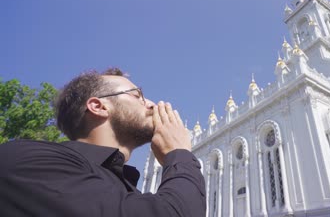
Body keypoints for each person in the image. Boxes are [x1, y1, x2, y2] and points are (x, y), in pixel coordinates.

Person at [0, 68, 206, 217]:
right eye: (138, 96)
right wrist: (179, 153)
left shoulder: (129, 192)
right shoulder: (25, 160)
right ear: (98, 106)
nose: (152, 104)